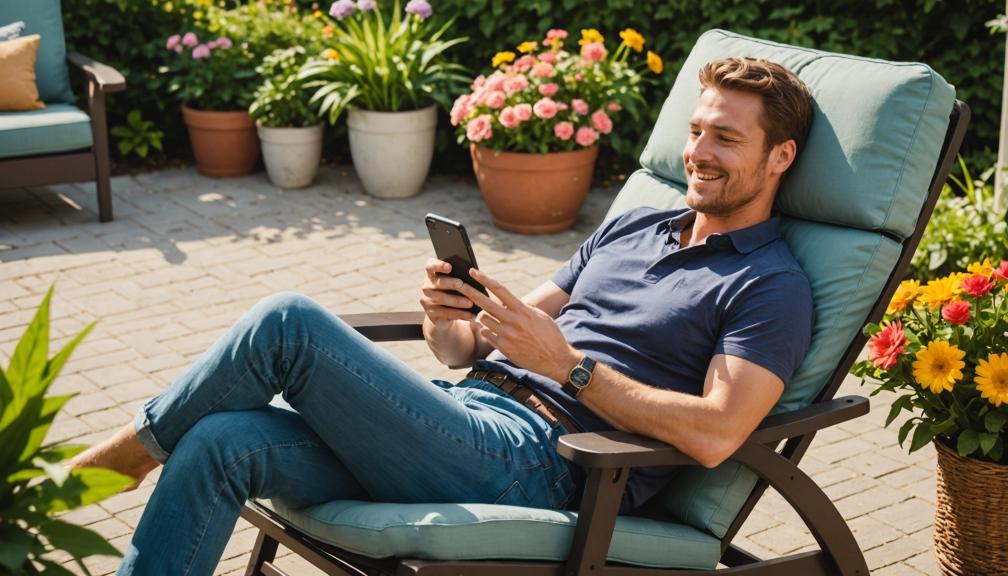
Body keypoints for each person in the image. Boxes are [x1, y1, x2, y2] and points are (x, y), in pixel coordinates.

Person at [72, 57, 815, 575]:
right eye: (695, 131)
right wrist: (447, 317)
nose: (698, 152)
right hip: (463, 418)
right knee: (222, 439)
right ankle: (138, 467)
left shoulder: (769, 285)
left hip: (544, 466)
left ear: (779, 157)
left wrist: (570, 368)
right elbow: (469, 349)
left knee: (289, 321)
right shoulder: (634, 227)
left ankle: (104, 471)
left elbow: (719, 433)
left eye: (725, 138)